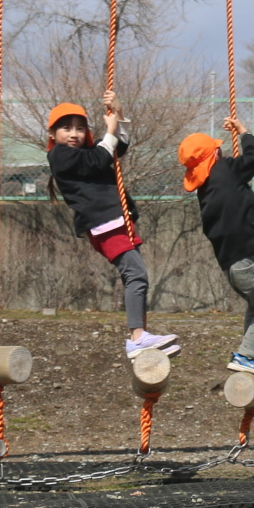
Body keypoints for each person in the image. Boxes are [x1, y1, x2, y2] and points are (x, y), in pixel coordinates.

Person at [45, 91, 177, 359]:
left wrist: (120, 116)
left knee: (138, 275)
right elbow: (99, 159)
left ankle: (140, 336)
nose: (74, 134)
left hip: (116, 220)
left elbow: (119, 147)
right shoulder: (60, 155)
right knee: (135, 275)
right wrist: (111, 130)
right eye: (66, 128)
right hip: (104, 223)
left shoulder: (91, 152)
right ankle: (137, 337)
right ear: (53, 134)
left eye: (80, 129)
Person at [178, 118, 254, 376]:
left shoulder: (205, 190)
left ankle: (249, 354)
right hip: (248, 259)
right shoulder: (226, 170)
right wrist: (243, 130)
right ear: (214, 153)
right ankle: (248, 355)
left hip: (231, 265)